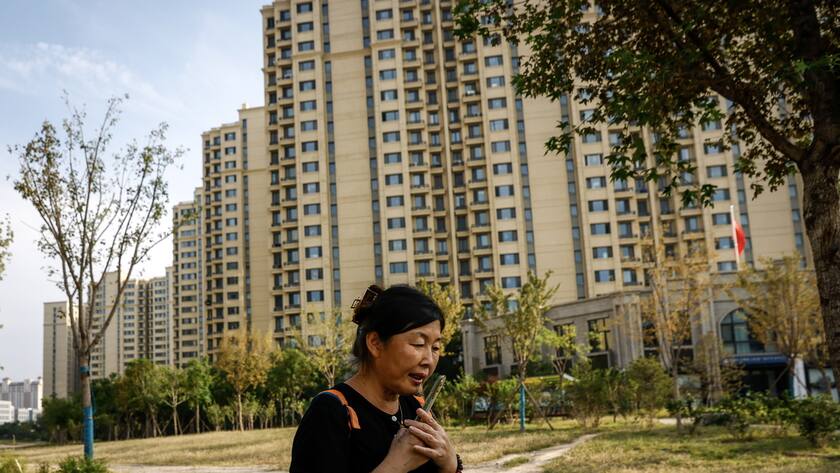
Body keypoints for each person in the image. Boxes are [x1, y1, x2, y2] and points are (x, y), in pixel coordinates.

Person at [290, 284, 462, 473]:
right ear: (375, 344)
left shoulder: (417, 407)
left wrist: (449, 463)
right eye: (418, 344)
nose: (429, 360)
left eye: (436, 348)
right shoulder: (332, 412)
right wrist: (395, 465)